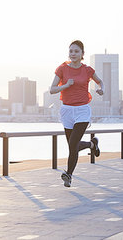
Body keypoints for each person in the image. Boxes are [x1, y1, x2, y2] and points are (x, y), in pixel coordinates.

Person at [50, 40, 104, 187]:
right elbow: (52, 89)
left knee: (73, 144)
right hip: (66, 110)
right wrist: (66, 85)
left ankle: (68, 174)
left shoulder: (87, 70)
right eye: (71, 51)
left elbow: (100, 82)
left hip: (82, 110)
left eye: (76, 51)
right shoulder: (62, 69)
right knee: (72, 146)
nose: (73, 54)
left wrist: (102, 89)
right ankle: (92, 144)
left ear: (82, 54)